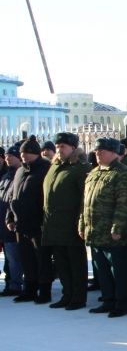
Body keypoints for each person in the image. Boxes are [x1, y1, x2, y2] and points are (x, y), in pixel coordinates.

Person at [80, 137, 127, 318]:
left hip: (113, 234)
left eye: (102, 151)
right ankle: (108, 299)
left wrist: (117, 227)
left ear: (113, 153)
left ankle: (122, 302)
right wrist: (82, 224)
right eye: (96, 151)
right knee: (101, 268)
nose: (97, 153)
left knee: (119, 269)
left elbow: (124, 203)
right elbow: (85, 203)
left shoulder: (123, 173)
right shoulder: (94, 173)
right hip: (95, 231)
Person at [41, 132, 91, 310]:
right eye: (57, 147)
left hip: (71, 225)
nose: (59, 150)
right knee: (61, 263)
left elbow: (84, 199)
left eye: (63, 146)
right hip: (54, 225)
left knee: (75, 264)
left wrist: (81, 222)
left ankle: (78, 297)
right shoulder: (55, 167)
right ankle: (67, 294)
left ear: (73, 148)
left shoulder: (80, 168)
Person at [8, 136, 54, 304]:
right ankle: (30, 289)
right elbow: (13, 195)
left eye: (27, 153)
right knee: (26, 258)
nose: (23, 156)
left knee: (41, 259)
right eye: (22, 153)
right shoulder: (20, 170)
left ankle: (44, 290)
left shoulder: (45, 169)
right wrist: (10, 216)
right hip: (21, 223)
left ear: (36, 153)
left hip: (38, 223)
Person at [0, 145, 23, 296]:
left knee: (14, 258)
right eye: (7, 156)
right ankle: (10, 283)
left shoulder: (19, 175)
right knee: (9, 257)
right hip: (3, 223)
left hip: (12, 222)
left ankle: (15, 285)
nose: (8, 159)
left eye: (11, 156)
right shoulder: (6, 176)